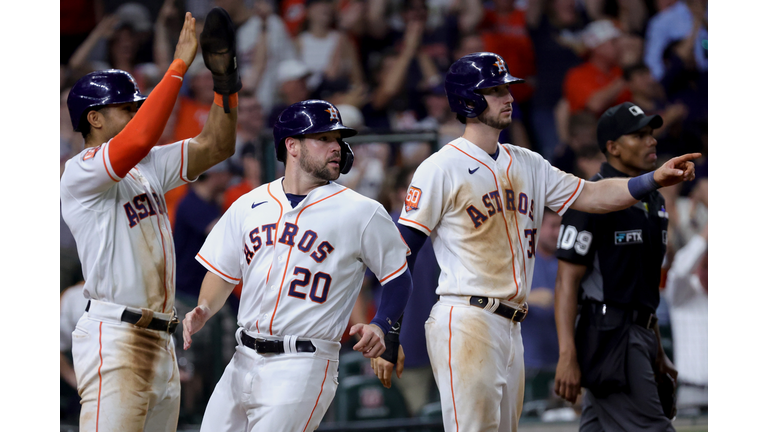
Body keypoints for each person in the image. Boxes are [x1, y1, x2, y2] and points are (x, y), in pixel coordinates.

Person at [373, 52, 699, 432]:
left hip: (512, 324)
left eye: (507, 89)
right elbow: (402, 252)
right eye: (495, 90)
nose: (508, 97)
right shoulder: (440, 167)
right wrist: (387, 326)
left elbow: (592, 195)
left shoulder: (527, 161)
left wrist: (652, 180)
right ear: (468, 100)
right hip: (466, 317)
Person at [181, 99, 414, 432]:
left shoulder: (361, 211)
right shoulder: (249, 204)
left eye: (338, 139)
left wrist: (381, 323)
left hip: (303, 362)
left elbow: (397, 278)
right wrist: (205, 307)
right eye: (324, 138)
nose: (337, 147)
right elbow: (221, 271)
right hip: (242, 356)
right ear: (292, 145)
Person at [59, 9, 241, 431]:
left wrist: (224, 84)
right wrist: (178, 65)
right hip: (115, 336)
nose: (139, 114)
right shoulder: (81, 170)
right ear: (95, 118)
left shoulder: (148, 165)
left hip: (162, 338)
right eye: (128, 108)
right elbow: (140, 136)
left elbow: (218, 145)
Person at [553, 102, 683, 431]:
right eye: (639, 135)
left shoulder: (653, 199)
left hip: (637, 333)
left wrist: (655, 346)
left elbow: (641, 282)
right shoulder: (588, 199)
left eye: (651, 134)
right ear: (612, 148)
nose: (651, 141)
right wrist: (566, 354)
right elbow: (566, 282)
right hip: (611, 336)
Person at [663, 223, 708, 412]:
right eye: (705, 265)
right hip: (692, 395)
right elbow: (679, 270)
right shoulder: (683, 294)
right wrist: (705, 236)